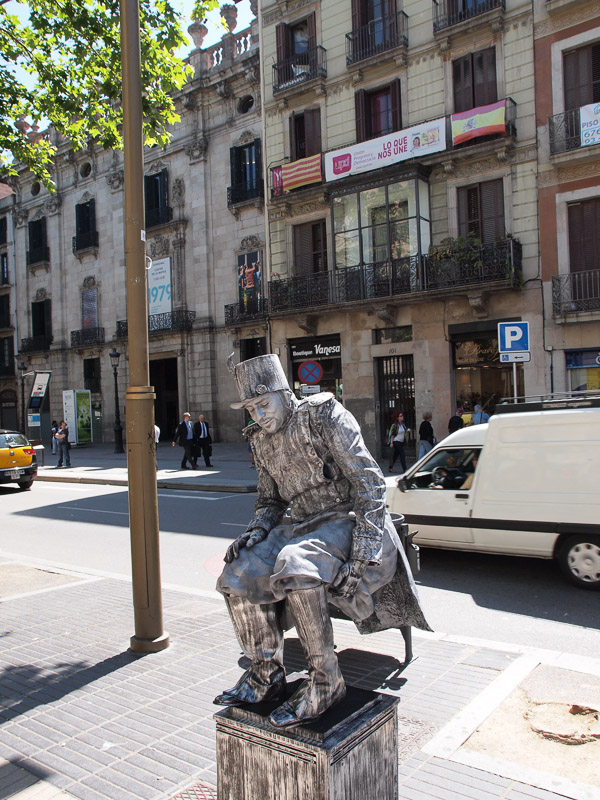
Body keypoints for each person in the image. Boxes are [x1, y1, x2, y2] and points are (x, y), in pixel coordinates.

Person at [215, 354, 430, 729]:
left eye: (263, 404)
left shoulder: (323, 415)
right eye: (251, 409)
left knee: (297, 564)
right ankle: (266, 675)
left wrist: (362, 556)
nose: (259, 416)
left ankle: (326, 682)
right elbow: (270, 502)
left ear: (285, 393)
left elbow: (370, 484)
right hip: (305, 527)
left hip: (349, 520)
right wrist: (256, 531)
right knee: (237, 572)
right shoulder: (260, 440)